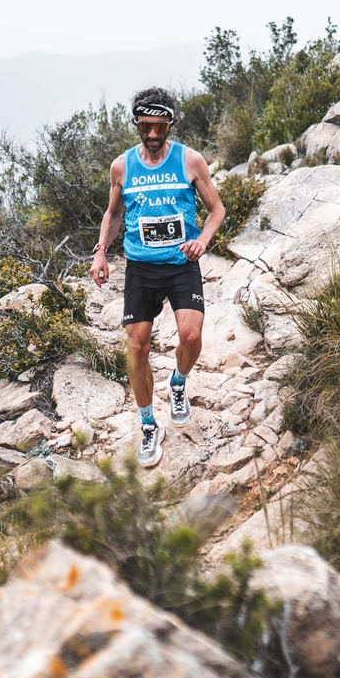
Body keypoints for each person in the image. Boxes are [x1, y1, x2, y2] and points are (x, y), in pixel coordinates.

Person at [90, 87, 225, 468]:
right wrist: (100, 252)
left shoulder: (190, 161)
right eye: (146, 126)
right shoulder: (122, 167)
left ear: (170, 124)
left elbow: (217, 210)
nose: (152, 134)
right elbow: (114, 214)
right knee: (137, 346)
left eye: (159, 126)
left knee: (192, 336)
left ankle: (178, 384)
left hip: (182, 262)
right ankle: (149, 424)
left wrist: (201, 240)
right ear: (137, 125)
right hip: (141, 267)